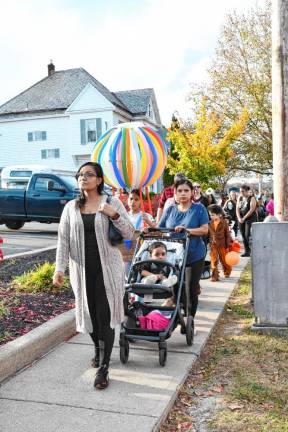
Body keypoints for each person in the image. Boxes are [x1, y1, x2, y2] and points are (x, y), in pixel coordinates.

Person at [53, 162, 134, 390]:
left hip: (107, 269)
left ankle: (104, 367)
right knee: (89, 315)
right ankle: (98, 350)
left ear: (99, 180)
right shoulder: (71, 207)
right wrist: (59, 269)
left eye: (89, 174)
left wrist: (114, 214)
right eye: (80, 174)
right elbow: (63, 240)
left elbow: (129, 233)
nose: (83, 177)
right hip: (81, 270)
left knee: (104, 315)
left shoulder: (111, 202)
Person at [158, 179, 209, 319]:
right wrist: (149, 229)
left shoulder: (199, 209)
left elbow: (205, 230)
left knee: (190, 289)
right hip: (174, 256)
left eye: (186, 190)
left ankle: (190, 321)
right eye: (179, 191)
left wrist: (187, 230)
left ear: (192, 192)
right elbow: (160, 228)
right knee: (175, 287)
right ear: (175, 193)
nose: (183, 193)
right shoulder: (170, 210)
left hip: (194, 255)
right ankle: (180, 315)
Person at [207, 204, 232, 282]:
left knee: (224, 260)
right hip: (213, 245)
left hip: (222, 244)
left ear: (219, 214)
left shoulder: (224, 223)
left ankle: (227, 271)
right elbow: (208, 234)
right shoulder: (209, 223)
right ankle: (215, 275)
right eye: (210, 215)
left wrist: (228, 244)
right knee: (213, 260)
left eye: (212, 215)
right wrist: (208, 242)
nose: (211, 216)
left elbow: (227, 234)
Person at [236, 185, 257, 257]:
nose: (241, 193)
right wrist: (239, 218)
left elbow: (251, 210)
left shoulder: (252, 198)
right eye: (240, 191)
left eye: (243, 191)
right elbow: (237, 209)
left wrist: (244, 218)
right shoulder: (240, 198)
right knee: (243, 236)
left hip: (250, 218)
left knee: (247, 235)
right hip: (241, 218)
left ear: (247, 191)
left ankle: (253, 250)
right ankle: (247, 251)